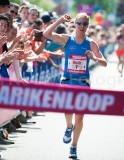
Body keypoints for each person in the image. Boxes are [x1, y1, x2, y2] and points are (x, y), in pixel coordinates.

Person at [43, 13, 107, 159]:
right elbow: (46, 34)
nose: (82, 26)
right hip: (67, 80)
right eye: (80, 23)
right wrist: (59, 20)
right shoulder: (67, 39)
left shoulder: (91, 43)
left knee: (79, 118)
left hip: (83, 83)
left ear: (88, 26)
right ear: (75, 24)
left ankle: (74, 146)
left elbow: (104, 63)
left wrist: (94, 58)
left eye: (85, 24)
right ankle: (68, 127)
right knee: (67, 109)